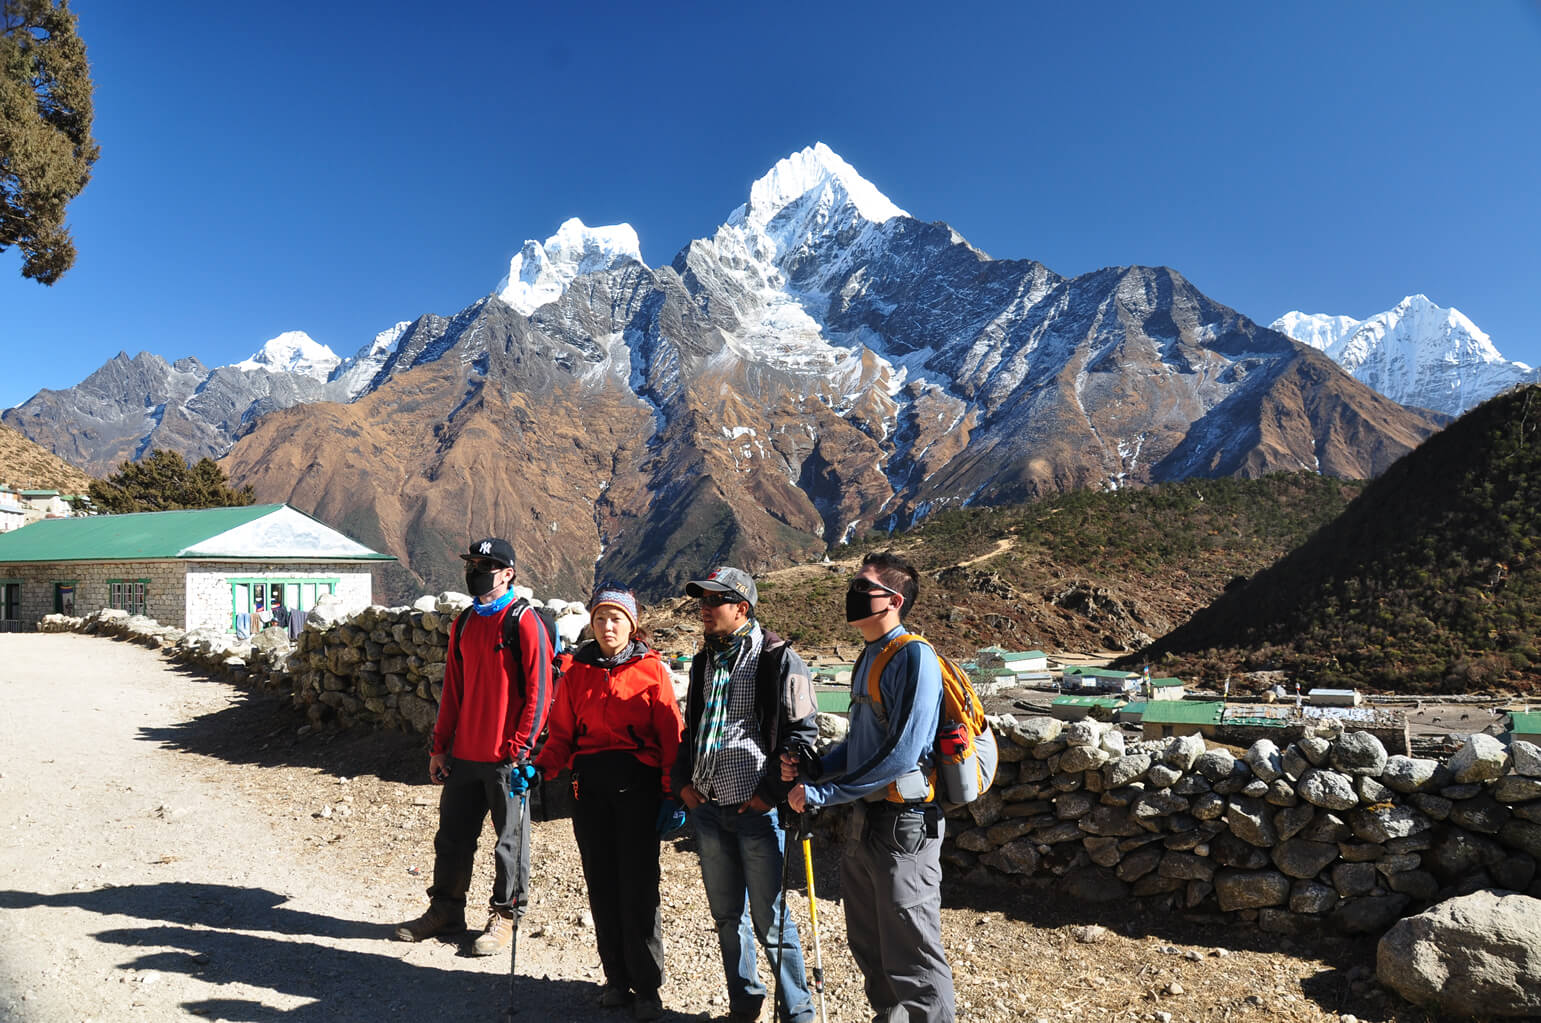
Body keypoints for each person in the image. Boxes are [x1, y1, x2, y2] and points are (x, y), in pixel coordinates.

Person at [783, 551, 956, 1023]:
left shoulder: (915, 657)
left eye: (865, 588)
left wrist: (823, 794)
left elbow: (902, 754)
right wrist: (816, 769)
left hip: (905, 826)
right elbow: (861, 746)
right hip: (866, 820)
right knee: (870, 942)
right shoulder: (869, 656)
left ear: (894, 601)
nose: (853, 594)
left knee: (913, 951)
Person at [394, 537, 555, 956]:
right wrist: (439, 746)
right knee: (452, 838)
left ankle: (505, 915)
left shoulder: (524, 621)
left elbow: (540, 690)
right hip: (465, 753)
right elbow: (453, 690)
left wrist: (522, 748)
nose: (476, 570)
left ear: (508, 573)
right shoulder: (465, 621)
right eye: (472, 562)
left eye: (486, 564)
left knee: (510, 841)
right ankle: (446, 909)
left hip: (506, 757)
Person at [672, 566, 817, 1023]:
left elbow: (802, 734)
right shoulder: (703, 660)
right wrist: (684, 786)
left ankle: (798, 1013)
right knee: (726, 915)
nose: (705, 609)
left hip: (755, 811)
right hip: (709, 809)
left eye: (715, 601)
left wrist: (767, 795)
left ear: (742, 608)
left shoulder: (777, 659)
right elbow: (693, 729)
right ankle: (744, 1003)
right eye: (703, 600)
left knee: (770, 920)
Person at [535, 586, 684, 1022]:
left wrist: (672, 792)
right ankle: (617, 980)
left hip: (637, 789)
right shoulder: (578, 671)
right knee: (602, 884)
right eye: (601, 618)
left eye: (616, 618)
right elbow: (562, 733)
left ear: (632, 624)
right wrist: (541, 768)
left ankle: (648, 987)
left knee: (637, 887)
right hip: (590, 790)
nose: (608, 626)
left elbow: (670, 735)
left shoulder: (651, 669)